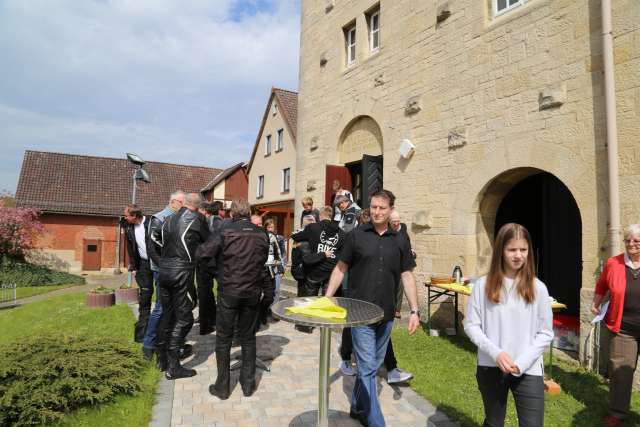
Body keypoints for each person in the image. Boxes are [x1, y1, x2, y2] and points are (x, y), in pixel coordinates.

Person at [325, 190, 420, 427]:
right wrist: (327, 297)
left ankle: (357, 407)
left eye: (382, 208)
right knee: (367, 367)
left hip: (386, 314)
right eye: (374, 207)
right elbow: (340, 268)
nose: (377, 212)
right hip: (360, 315)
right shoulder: (356, 235)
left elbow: (407, 275)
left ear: (391, 210)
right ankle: (376, 422)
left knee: (372, 366)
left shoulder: (400, 239)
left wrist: (416, 311)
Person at [464, 223, 553, 427]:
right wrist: (496, 353)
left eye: (523, 249)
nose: (518, 255)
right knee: (494, 422)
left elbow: (546, 333)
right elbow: (471, 325)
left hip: (528, 368)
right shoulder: (482, 286)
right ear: (500, 251)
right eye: (512, 249)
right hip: (491, 366)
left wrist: (522, 362)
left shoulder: (538, 288)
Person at [196, 199, 270, 400]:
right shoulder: (261, 233)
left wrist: (218, 272)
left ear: (231, 214)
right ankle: (247, 385)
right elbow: (262, 260)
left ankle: (222, 387)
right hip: (252, 291)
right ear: (248, 213)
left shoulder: (225, 231)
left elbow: (202, 254)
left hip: (230, 291)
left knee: (224, 338)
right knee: (248, 338)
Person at [155, 193, 210, 380]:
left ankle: (161, 359)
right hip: (181, 272)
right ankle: (174, 366)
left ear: (185, 203)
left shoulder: (168, 219)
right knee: (185, 318)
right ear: (197, 206)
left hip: (164, 270)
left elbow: (159, 243)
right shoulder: (197, 218)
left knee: (167, 314)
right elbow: (209, 243)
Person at [591, 224, 640, 427]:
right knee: (620, 372)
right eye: (628, 240)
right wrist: (595, 303)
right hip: (623, 328)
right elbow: (602, 284)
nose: (631, 244)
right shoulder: (614, 263)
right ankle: (618, 413)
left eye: (636, 241)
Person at [145, 191, 185, 365]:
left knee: (172, 309)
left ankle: (168, 344)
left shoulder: (177, 219)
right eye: (182, 204)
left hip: (174, 270)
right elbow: (152, 249)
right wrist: (165, 267)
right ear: (174, 202)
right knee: (161, 308)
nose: (184, 208)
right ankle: (148, 345)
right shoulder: (159, 219)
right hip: (162, 271)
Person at [292, 206, 345, 333]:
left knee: (310, 296)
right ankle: (325, 326)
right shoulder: (342, 233)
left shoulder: (313, 227)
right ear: (331, 216)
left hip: (315, 267)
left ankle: (306, 325)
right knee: (328, 297)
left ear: (320, 216)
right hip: (332, 269)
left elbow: (296, 237)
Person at [123, 204, 154, 345]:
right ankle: (142, 331)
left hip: (158, 264)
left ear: (134, 216)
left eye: (127, 215)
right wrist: (133, 266)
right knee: (145, 297)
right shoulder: (129, 227)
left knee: (164, 298)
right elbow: (130, 248)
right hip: (143, 265)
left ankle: (162, 329)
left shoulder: (152, 223)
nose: (125, 218)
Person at [195, 202, 218, 335]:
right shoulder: (201, 219)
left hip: (200, 260)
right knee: (205, 293)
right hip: (206, 260)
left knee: (205, 292)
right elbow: (208, 240)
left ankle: (210, 319)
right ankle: (206, 324)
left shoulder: (192, 219)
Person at [260, 218, 283, 324]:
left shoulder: (273, 237)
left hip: (271, 270)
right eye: (268, 227)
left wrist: (280, 267)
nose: (270, 229)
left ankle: (262, 312)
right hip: (259, 270)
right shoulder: (258, 236)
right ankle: (260, 316)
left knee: (270, 295)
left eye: (272, 227)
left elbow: (278, 252)